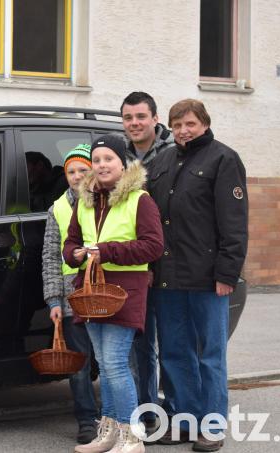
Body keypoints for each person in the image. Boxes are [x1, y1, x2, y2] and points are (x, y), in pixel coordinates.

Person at [147, 99, 248, 452]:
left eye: (189, 123)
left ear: (204, 123)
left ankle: (213, 426)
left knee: (211, 354)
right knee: (175, 353)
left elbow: (234, 225)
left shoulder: (224, 159)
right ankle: (185, 421)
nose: (182, 130)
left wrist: (227, 273)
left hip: (207, 278)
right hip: (167, 276)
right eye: (176, 125)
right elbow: (150, 223)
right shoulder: (161, 161)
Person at [64, 135, 164, 453]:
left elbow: (154, 245)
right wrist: (75, 254)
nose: (102, 165)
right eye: (97, 160)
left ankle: (131, 436)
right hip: (91, 291)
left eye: (108, 159)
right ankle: (109, 431)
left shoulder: (139, 199)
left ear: (122, 164)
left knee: (117, 363)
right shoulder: (84, 200)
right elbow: (70, 243)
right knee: (105, 365)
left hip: (124, 292)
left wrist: (106, 251)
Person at [119, 91, 175, 432]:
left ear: (155, 118)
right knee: (138, 342)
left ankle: (174, 407)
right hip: (130, 265)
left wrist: (155, 266)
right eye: (128, 118)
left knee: (169, 341)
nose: (135, 123)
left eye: (141, 116)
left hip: (167, 264)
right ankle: (145, 409)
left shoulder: (172, 154)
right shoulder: (117, 153)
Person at [41, 144, 98, 444]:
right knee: (79, 364)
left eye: (82, 170)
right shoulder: (58, 208)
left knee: (114, 361)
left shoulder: (104, 202)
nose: (76, 176)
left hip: (101, 296)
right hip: (70, 297)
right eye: (70, 171)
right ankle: (87, 420)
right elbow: (50, 256)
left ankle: (119, 416)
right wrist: (53, 300)